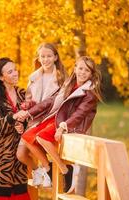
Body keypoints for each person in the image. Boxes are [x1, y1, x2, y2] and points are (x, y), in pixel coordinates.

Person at [16, 56, 102, 193]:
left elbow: (79, 114)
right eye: (80, 68)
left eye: (87, 70)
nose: (82, 72)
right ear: (75, 69)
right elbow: (51, 101)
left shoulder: (90, 93)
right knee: (27, 136)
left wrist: (63, 126)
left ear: (91, 74)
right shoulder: (69, 84)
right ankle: (48, 168)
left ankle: (66, 170)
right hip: (55, 118)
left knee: (42, 136)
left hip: (69, 124)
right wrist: (29, 113)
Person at [16, 43, 66, 187]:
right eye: (42, 56)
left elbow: (52, 103)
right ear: (38, 58)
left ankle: (48, 170)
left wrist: (29, 112)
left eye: (49, 56)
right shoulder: (34, 77)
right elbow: (29, 99)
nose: (46, 59)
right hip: (32, 120)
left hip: (48, 119)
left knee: (30, 140)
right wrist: (27, 106)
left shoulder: (61, 78)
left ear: (55, 57)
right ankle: (44, 169)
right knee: (20, 154)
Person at [0, 57, 31, 200]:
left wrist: (23, 124)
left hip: (19, 163)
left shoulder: (23, 94)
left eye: (15, 70)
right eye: (10, 72)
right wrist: (13, 118)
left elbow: (31, 119)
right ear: (1, 77)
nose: (15, 73)